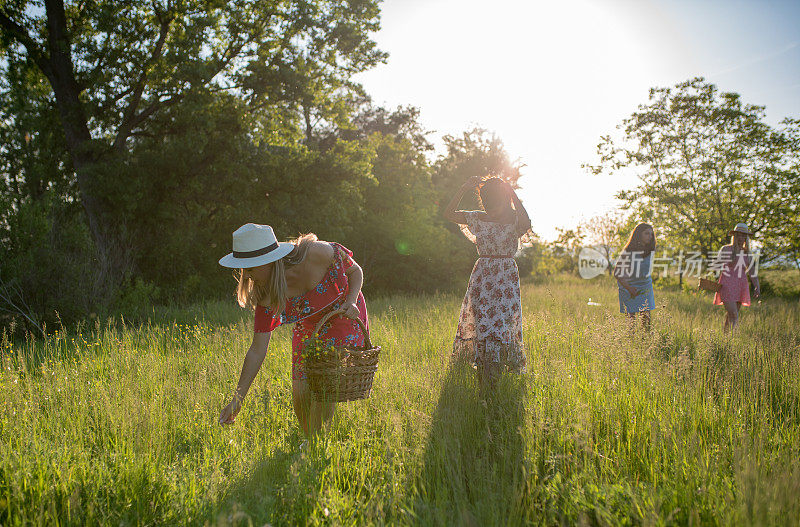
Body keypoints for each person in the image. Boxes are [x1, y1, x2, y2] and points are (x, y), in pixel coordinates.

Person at [217, 223, 368, 437]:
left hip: (342, 314)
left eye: (250, 268)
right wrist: (237, 400)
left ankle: (315, 444)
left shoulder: (317, 253)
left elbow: (355, 271)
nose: (247, 276)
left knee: (325, 385)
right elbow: (256, 350)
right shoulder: (266, 296)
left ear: (267, 262)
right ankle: (309, 441)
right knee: (301, 394)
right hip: (308, 326)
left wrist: (351, 301)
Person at [443, 175, 532, 389]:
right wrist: (464, 187)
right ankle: (486, 376)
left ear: (502, 199)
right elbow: (448, 214)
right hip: (483, 278)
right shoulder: (478, 218)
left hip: (506, 279)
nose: (491, 207)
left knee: (502, 326)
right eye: (488, 202)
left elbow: (527, 222)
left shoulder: (514, 220)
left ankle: (497, 375)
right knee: (484, 327)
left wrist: (511, 192)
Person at [710, 223, 760, 334]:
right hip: (726, 285)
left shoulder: (747, 254)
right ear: (735, 236)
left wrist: (757, 287)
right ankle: (735, 339)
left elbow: (752, 273)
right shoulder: (726, 249)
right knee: (734, 314)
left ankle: (725, 338)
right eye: (738, 235)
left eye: (743, 236)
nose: (741, 238)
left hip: (741, 286)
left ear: (746, 238)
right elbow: (716, 265)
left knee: (730, 315)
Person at [614, 222, 656, 332]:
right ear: (639, 234)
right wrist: (629, 288)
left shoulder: (650, 251)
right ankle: (631, 344)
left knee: (646, 322)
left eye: (651, 234)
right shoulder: (628, 252)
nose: (650, 237)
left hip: (645, 287)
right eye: (646, 233)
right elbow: (617, 273)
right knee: (631, 322)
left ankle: (646, 344)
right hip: (629, 288)